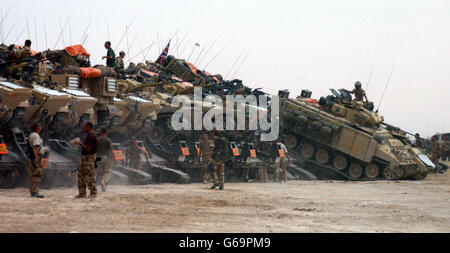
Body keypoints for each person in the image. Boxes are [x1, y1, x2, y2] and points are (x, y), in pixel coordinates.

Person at [74, 122, 98, 198]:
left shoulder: (91, 136)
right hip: (85, 158)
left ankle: (93, 192)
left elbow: (88, 149)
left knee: (89, 175)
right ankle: (82, 193)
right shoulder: (89, 135)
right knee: (81, 175)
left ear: (89, 127)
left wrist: (80, 143)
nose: (83, 128)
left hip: (88, 158)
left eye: (84, 127)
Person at [28, 123, 44, 198]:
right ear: (37, 128)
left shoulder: (32, 135)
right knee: (37, 174)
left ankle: (32, 191)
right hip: (36, 157)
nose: (41, 129)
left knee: (33, 174)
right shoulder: (36, 136)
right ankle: (34, 191)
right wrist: (36, 158)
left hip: (32, 156)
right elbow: (36, 147)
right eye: (40, 127)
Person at [97, 128, 115, 192]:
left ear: (101, 132)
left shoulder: (97, 140)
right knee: (107, 172)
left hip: (98, 158)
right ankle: (103, 181)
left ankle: (103, 188)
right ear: (106, 133)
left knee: (101, 173)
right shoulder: (108, 140)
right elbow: (111, 150)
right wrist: (114, 159)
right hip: (105, 157)